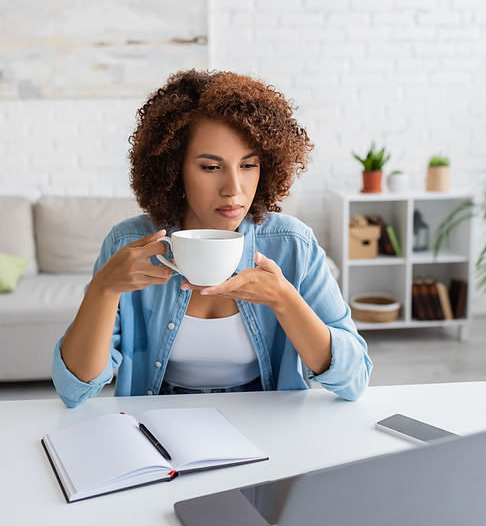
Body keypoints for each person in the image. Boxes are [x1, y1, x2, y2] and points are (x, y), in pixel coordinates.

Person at [52, 69, 372, 407]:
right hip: (157, 422)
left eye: (248, 166)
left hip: (266, 421)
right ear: (174, 169)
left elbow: (354, 381)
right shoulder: (129, 244)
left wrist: (285, 301)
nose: (234, 189)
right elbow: (74, 391)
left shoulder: (292, 245)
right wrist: (104, 289)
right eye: (210, 167)